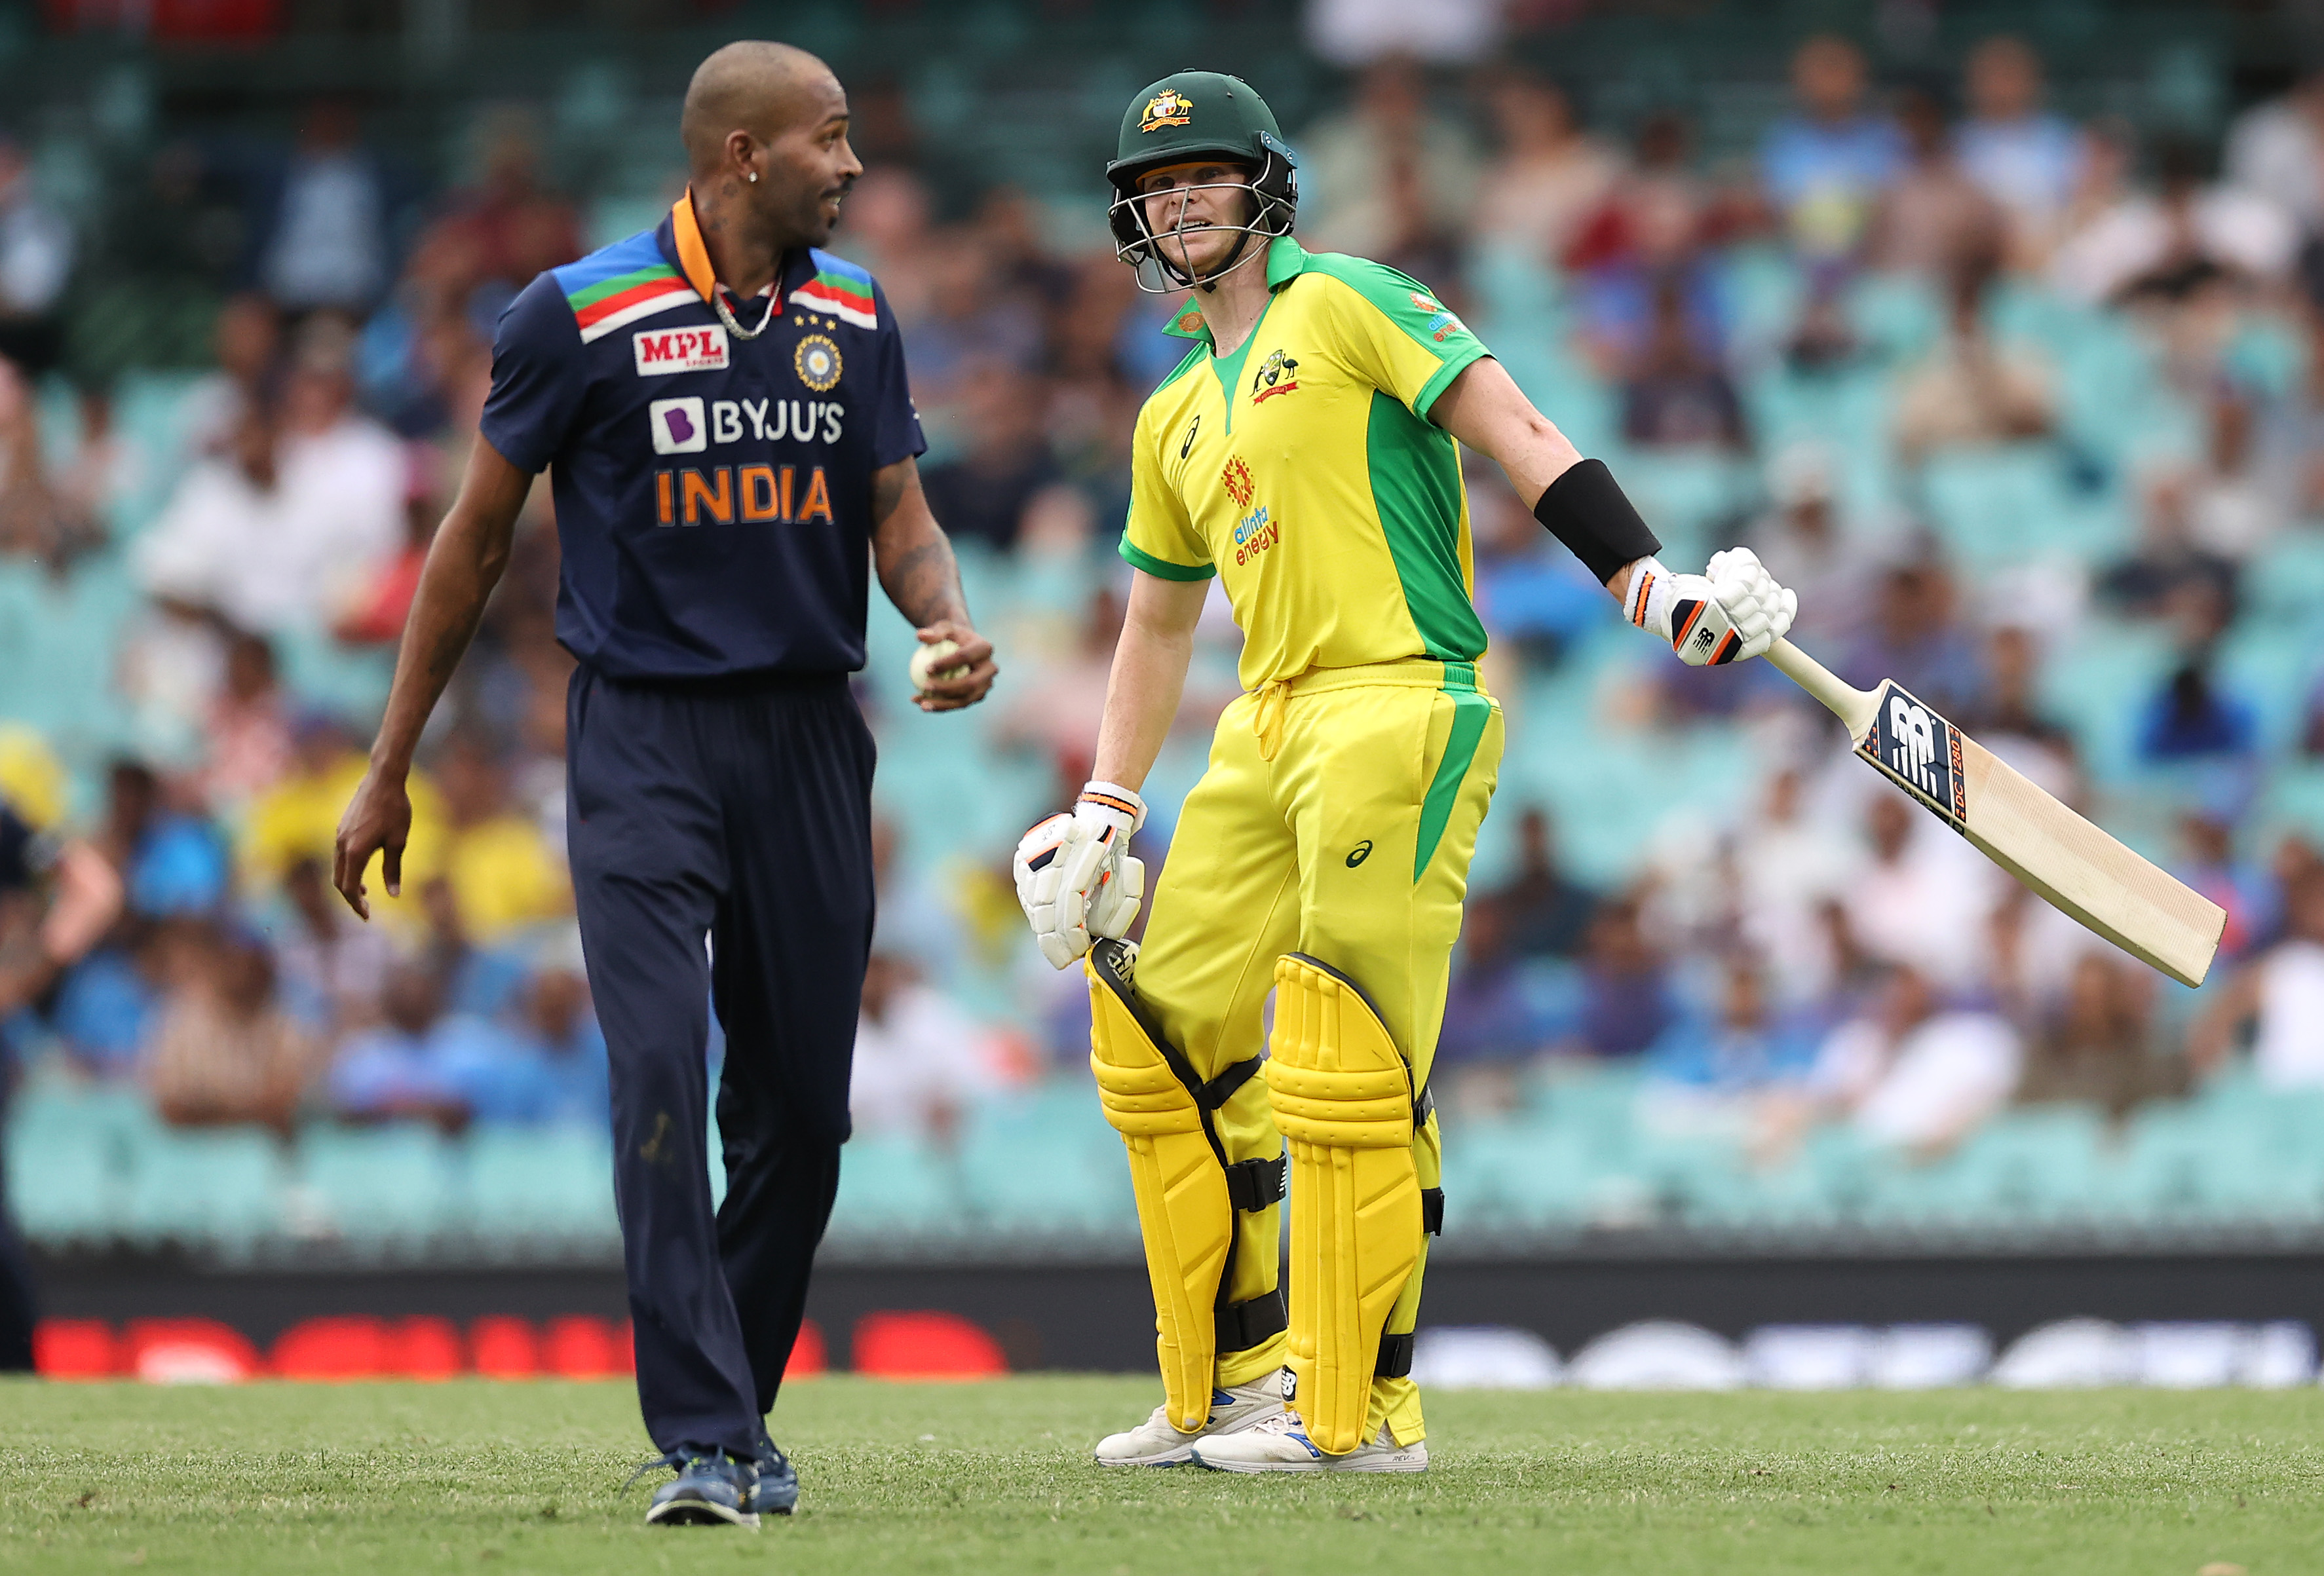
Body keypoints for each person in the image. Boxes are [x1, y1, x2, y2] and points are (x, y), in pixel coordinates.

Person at [1010, 71, 1796, 1474]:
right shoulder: (1169, 410)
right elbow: (1154, 618)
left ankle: (1360, 1415)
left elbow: (1516, 428)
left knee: (1342, 1047)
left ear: (1263, 186)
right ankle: (1228, 1388)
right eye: (1148, 184)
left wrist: (1646, 584)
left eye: (1199, 171)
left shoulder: (1354, 301)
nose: (1174, 197)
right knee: (1158, 1031)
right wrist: (1105, 806)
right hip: (1260, 725)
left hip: (1398, 700)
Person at [330, 41, 997, 1528]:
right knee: (651, 1075)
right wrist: (392, 767)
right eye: (831, 141)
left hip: (811, 740)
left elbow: (899, 510)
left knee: (802, 1121)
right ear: (744, 155)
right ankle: (701, 1435)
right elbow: (473, 542)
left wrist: (941, 621)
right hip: (641, 738)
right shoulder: (573, 315)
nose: (856, 167)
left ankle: (737, 1420)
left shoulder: (854, 310)